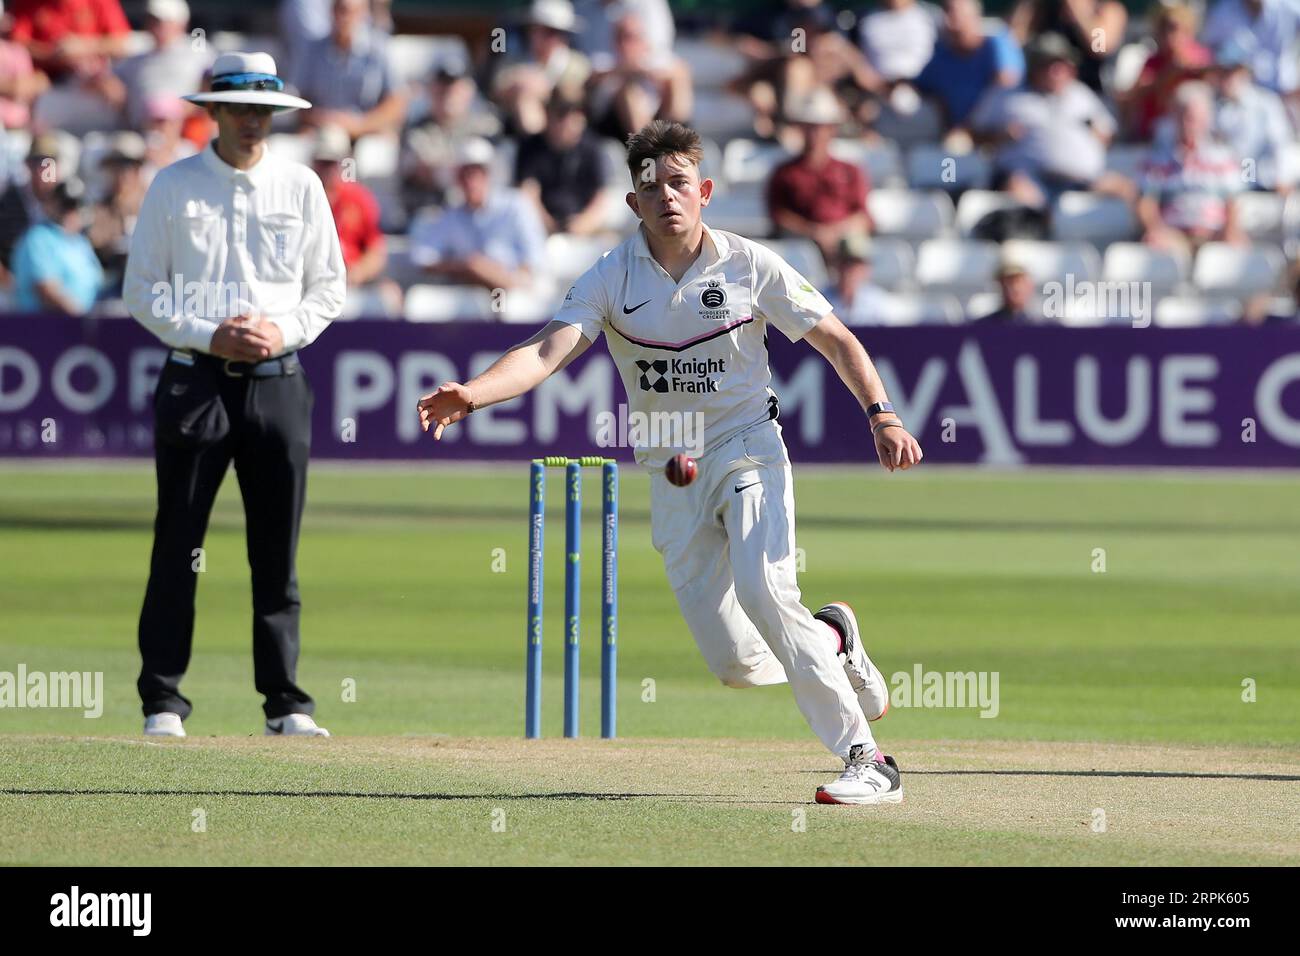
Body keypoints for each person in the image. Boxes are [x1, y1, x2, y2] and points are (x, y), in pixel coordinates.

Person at [416, 120, 923, 805]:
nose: (667, 197)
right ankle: (833, 640)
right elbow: (545, 351)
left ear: (705, 190)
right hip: (669, 466)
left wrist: (881, 413)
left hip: (748, 446)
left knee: (766, 592)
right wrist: (473, 393)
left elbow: (834, 337)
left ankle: (869, 760)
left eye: (680, 183)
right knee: (737, 664)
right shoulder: (611, 275)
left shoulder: (749, 263)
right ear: (633, 203)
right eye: (651, 187)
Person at [122, 52, 345, 738]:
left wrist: (279, 331)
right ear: (212, 111)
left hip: (279, 384)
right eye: (241, 107)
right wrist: (207, 335)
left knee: (276, 551)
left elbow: (328, 287)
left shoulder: (301, 185)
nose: (253, 121)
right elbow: (142, 291)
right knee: (178, 542)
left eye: (263, 110)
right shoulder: (175, 185)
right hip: (196, 380)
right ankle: (162, 700)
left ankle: (286, 703)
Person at [968, 32, 1122, 210]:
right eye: (1047, 65)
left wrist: (1099, 137)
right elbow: (973, 133)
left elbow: (1108, 132)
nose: (1055, 72)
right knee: (1018, 191)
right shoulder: (1006, 95)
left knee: (1122, 188)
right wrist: (999, 136)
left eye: (1061, 65)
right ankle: (1038, 227)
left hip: (1083, 180)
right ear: (1033, 67)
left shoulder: (1082, 95)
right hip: (1029, 179)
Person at [409, 137, 551, 320]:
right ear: (457, 179)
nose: (471, 181)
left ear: (489, 175)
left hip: (518, 290)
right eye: (465, 174)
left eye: (476, 173)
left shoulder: (516, 205)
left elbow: (534, 258)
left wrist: (497, 274)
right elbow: (422, 257)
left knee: (508, 302)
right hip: (473, 292)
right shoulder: (451, 216)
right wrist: (466, 267)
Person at [1135, 80, 1246, 255]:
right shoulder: (1156, 158)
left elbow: (1233, 202)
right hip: (1174, 234)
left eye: (1193, 118)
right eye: (1183, 117)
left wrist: (1229, 230)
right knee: (1154, 244)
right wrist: (1156, 229)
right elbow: (1146, 203)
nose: (1188, 124)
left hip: (1214, 233)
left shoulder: (1223, 157)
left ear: (1206, 120)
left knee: (1237, 246)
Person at [767, 87, 872, 263]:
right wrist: (813, 232)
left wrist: (835, 232)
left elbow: (863, 216)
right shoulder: (785, 172)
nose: (814, 134)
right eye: (809, 127)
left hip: (843, 242)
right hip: (803, 243)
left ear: (831, 129)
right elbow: (779, 215)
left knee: (857, 247)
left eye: (820, 127)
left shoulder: (850, 170)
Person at [312, 124, 402, 316]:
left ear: (342, 163)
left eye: (332, 162)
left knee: (389, 295)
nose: (327, 169)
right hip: (311, 280)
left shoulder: (357, 198)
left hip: (352, 279)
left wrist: (358, 272)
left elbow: (376, 250)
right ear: (313, 162)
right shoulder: (299, 198)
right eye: (323, 162)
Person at [292, 0, 406, 138]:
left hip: (368, 134)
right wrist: (321, 119)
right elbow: (300, 99)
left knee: (373, 153)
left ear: (364, 14)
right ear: (331, 13)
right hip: (322, 131)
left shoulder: (380, 48)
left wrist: (359, 125)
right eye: (340, 10)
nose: (345, 17)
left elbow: (396, 103)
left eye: (352, 12)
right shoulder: (313, 49)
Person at [912, 0, 1024, 129]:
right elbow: (921, 86)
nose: (949, 20)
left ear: (975, 16)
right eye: (946, 11)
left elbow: (1005, 85)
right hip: (955, 138)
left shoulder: (997, 42)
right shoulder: (941, 53)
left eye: (955, 13)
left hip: (997, 135)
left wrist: (969, 129)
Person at [514, 91, 608, 236]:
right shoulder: (530, 147)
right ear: (548, 114)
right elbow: (528, 193)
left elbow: (600, 197)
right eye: (561, 114)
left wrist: (582, 224)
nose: (568, 121)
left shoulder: (592, 147)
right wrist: (549, 226)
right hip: (542, 228)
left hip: (584, 227)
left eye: (575, 112)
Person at [114, 0, 212, 130]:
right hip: (140, 132)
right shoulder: (135, 53)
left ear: (180, 23)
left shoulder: (199, 51)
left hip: (186, 133)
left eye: (162, 21)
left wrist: (188, 107)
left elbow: (215, 86)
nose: (156, 26)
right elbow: (114, 88)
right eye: (152, 20)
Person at [11, 178, 103, 315]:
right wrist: (82, 319)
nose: (70, 212)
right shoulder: (38, 238)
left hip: (83, 329)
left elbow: (96, 284)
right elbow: (46, 290)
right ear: (51, 205)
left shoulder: (81, 243)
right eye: (65, 205)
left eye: (76, 206)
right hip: (47, 330)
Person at [826, 234, 893, 324]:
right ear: (836, 264)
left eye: (856, 263)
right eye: (845, 262)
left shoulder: (878, 302)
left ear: (867, 267)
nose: (850, 269)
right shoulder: (822, 300)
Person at [975, 258, 1036, 324]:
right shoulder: (985, 325)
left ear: (1030, 286)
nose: (1014, 287)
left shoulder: (1037, 326)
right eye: (1008, 282)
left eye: (1018, 281)